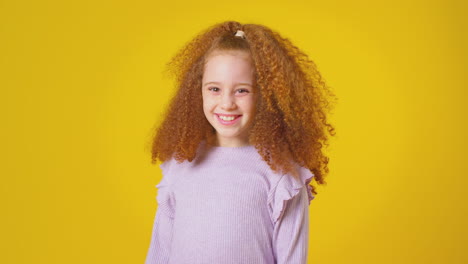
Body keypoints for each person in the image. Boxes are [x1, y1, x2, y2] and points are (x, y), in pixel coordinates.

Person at [144, 21, 336, 264]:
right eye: (214, 88)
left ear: (267, 95)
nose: (226, 103)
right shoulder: (182, 163)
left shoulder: (281, 174)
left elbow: (292, 258)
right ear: (197, 91)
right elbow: (160, 249)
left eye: (242, 91)